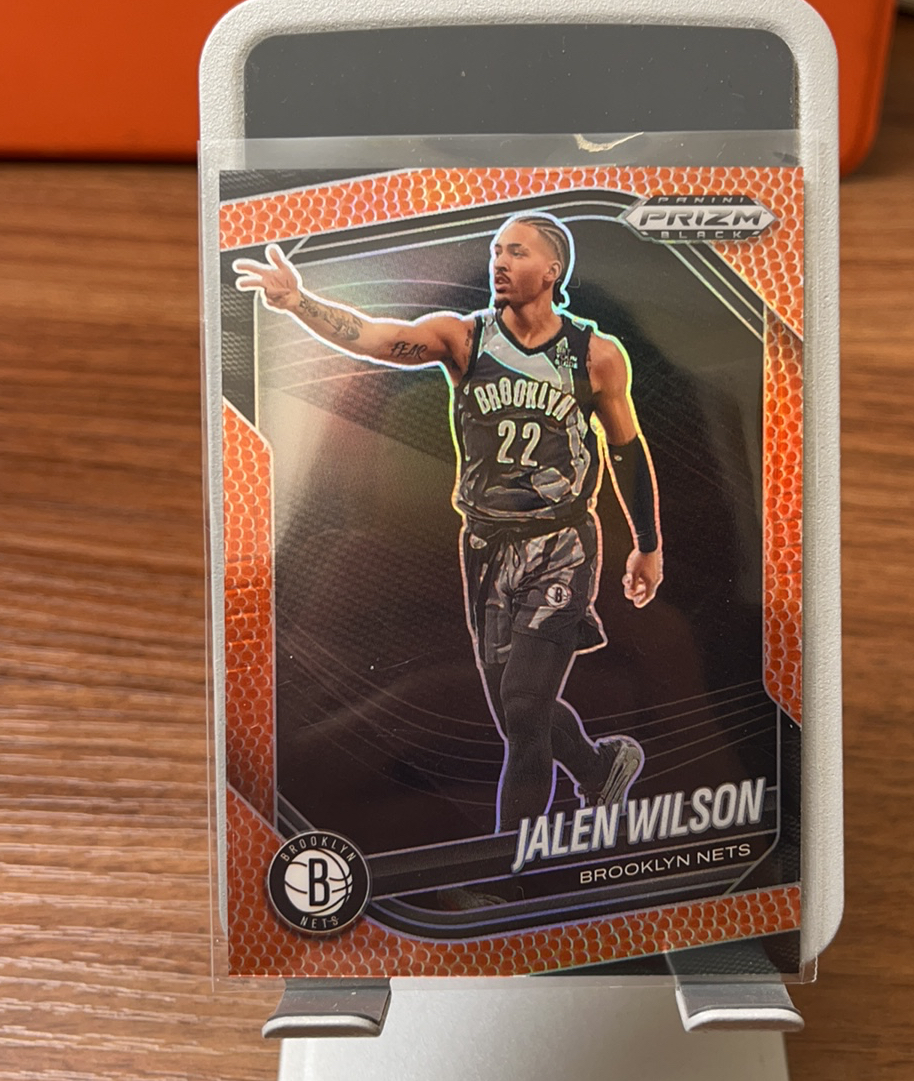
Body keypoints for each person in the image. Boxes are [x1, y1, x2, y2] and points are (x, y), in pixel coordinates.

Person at [234, 212, 663, 833]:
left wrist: (647, 544)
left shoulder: (595, 356)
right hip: (485, 544)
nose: (500, 262)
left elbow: (626, 451)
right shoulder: (464, 339)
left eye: (516, 252)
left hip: (560, 544)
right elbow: (377, 338)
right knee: (518, 712)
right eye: (496, 251)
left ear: (552, 270)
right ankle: (598, 769)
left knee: (523, 705)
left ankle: (512, 863)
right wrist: (300, 302)